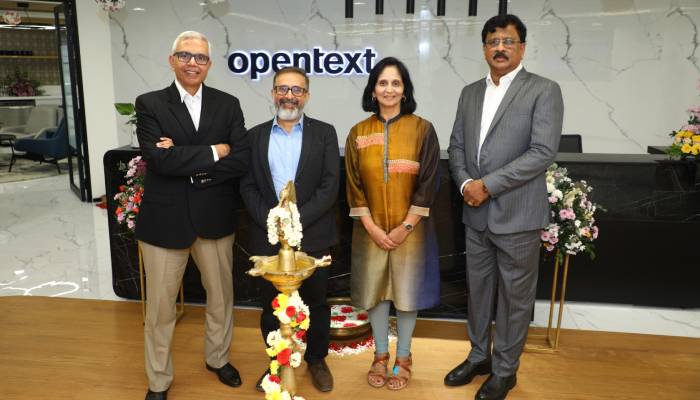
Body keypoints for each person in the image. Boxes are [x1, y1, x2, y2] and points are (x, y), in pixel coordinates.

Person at [445, 14, 564, 400]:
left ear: (522, 47)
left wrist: (488, 186)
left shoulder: (543, 90)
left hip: (517, 215)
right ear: (484, 48)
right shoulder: (468, 92)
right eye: (493, 41)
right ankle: (479, 355)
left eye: (508, 41)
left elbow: (542, 152)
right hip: (475, 214)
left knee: (515, 298)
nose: (500, 47)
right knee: (478, 292)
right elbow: (458, 146)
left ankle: (505, 370)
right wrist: (465, 183)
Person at [134, 31, 249, 400]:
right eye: (185, 55)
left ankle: (218, 359)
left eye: (200, 58)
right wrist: (216, 150)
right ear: (172, 60)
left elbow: (241, 159)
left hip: (214, 218)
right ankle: (158, 381)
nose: (192, 63)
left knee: (221, 299)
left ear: (209, 65)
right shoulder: (150, 103)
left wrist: (185, 156)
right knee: (160, 310)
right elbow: (158, 160)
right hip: (165, 222)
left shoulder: (228, 104)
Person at [240, 66, 340, 393]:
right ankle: (276, 363)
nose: (289, 96)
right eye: (282, 89)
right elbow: (248, 186)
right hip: (268, 236)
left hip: (313, 232)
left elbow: (329, 186)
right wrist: (274, 220)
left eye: (297, 90)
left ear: (307, 96)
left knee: (316, 302)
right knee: (271, 305)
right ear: (273, 94)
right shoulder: (253, 136)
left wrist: (295, 221)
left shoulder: (324, 133)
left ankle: (316, 359)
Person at [345, 56, 441, 391]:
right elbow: (353, 186)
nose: (389, 89)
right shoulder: (358, 133)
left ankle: (404, 356)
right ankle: (380, 356)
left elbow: (429, 183)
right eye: (382, 83)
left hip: (410, 230)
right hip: (369, 229)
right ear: (373, 89)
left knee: (406, 294)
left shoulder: (422, 129)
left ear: (405, 90)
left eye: (395, 83)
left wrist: (406, 227)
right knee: (376, 294)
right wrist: (372, 227)